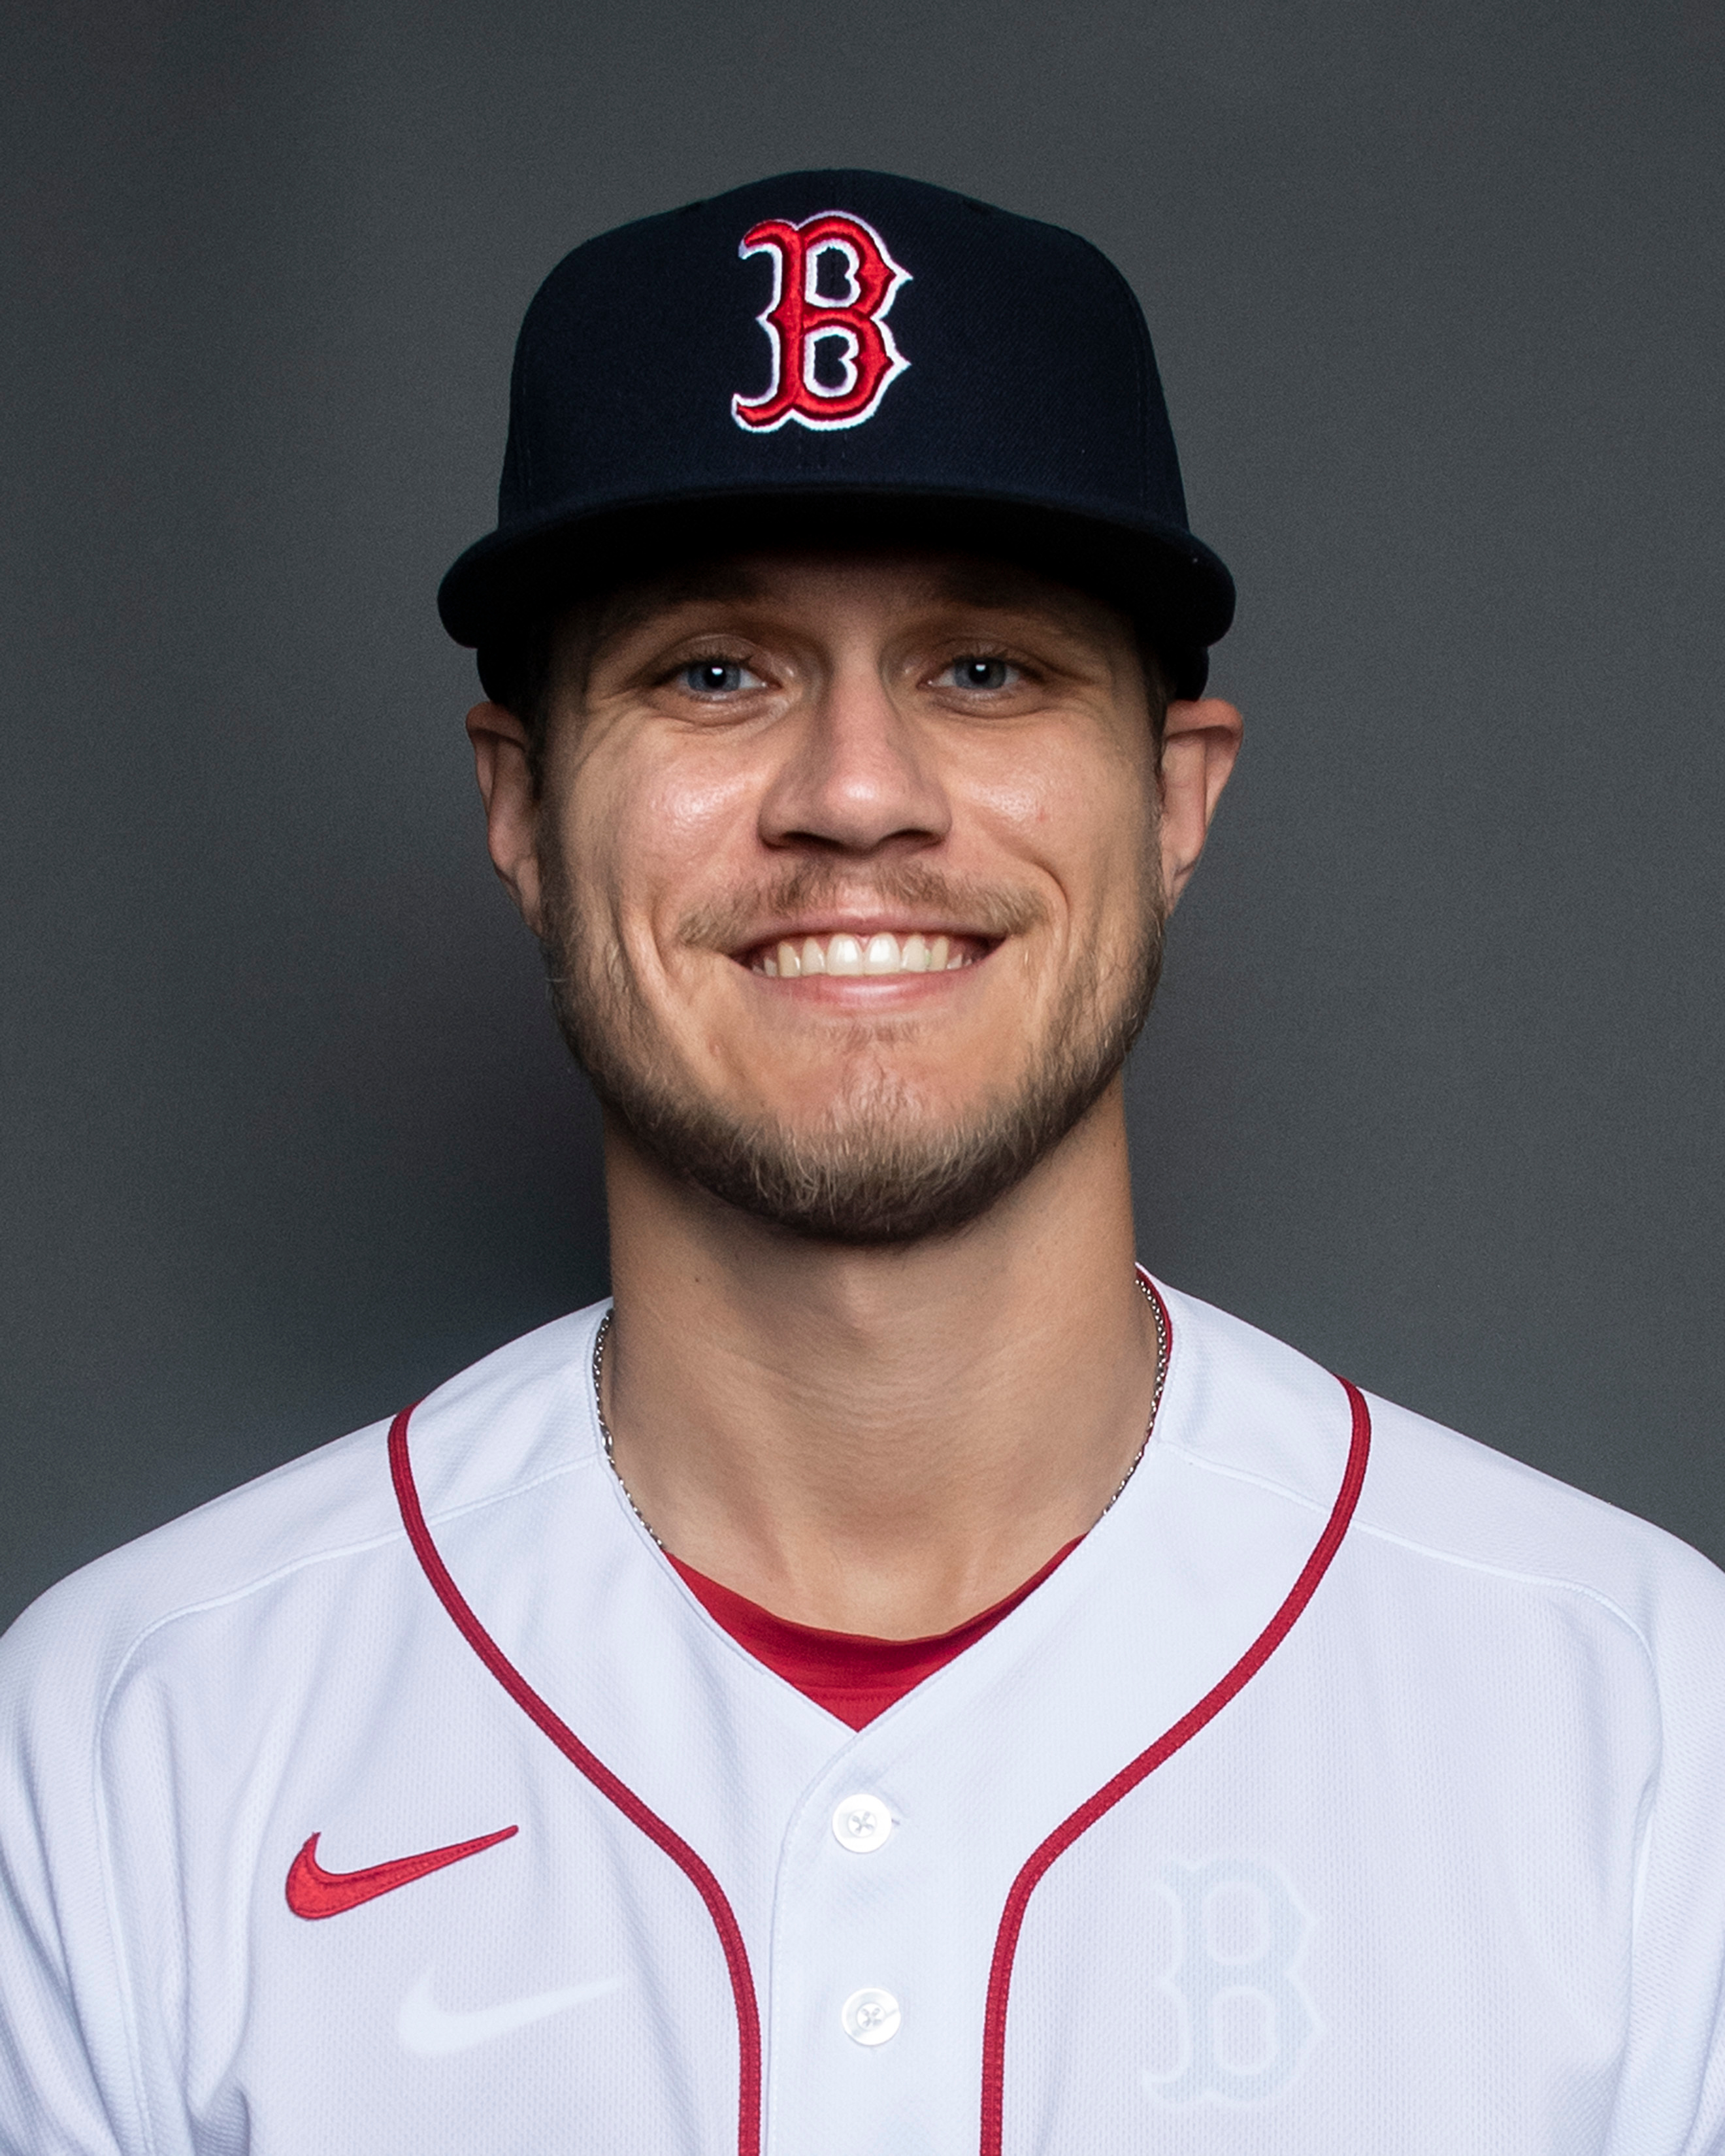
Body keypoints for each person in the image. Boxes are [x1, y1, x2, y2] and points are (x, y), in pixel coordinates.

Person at [2, 168, 1722, 2156]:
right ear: (523, 806)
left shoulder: (1636, 1728)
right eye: (712, 670)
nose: (856, 796)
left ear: (1175, 800)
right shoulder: (134, 1747)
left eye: (985, 667)